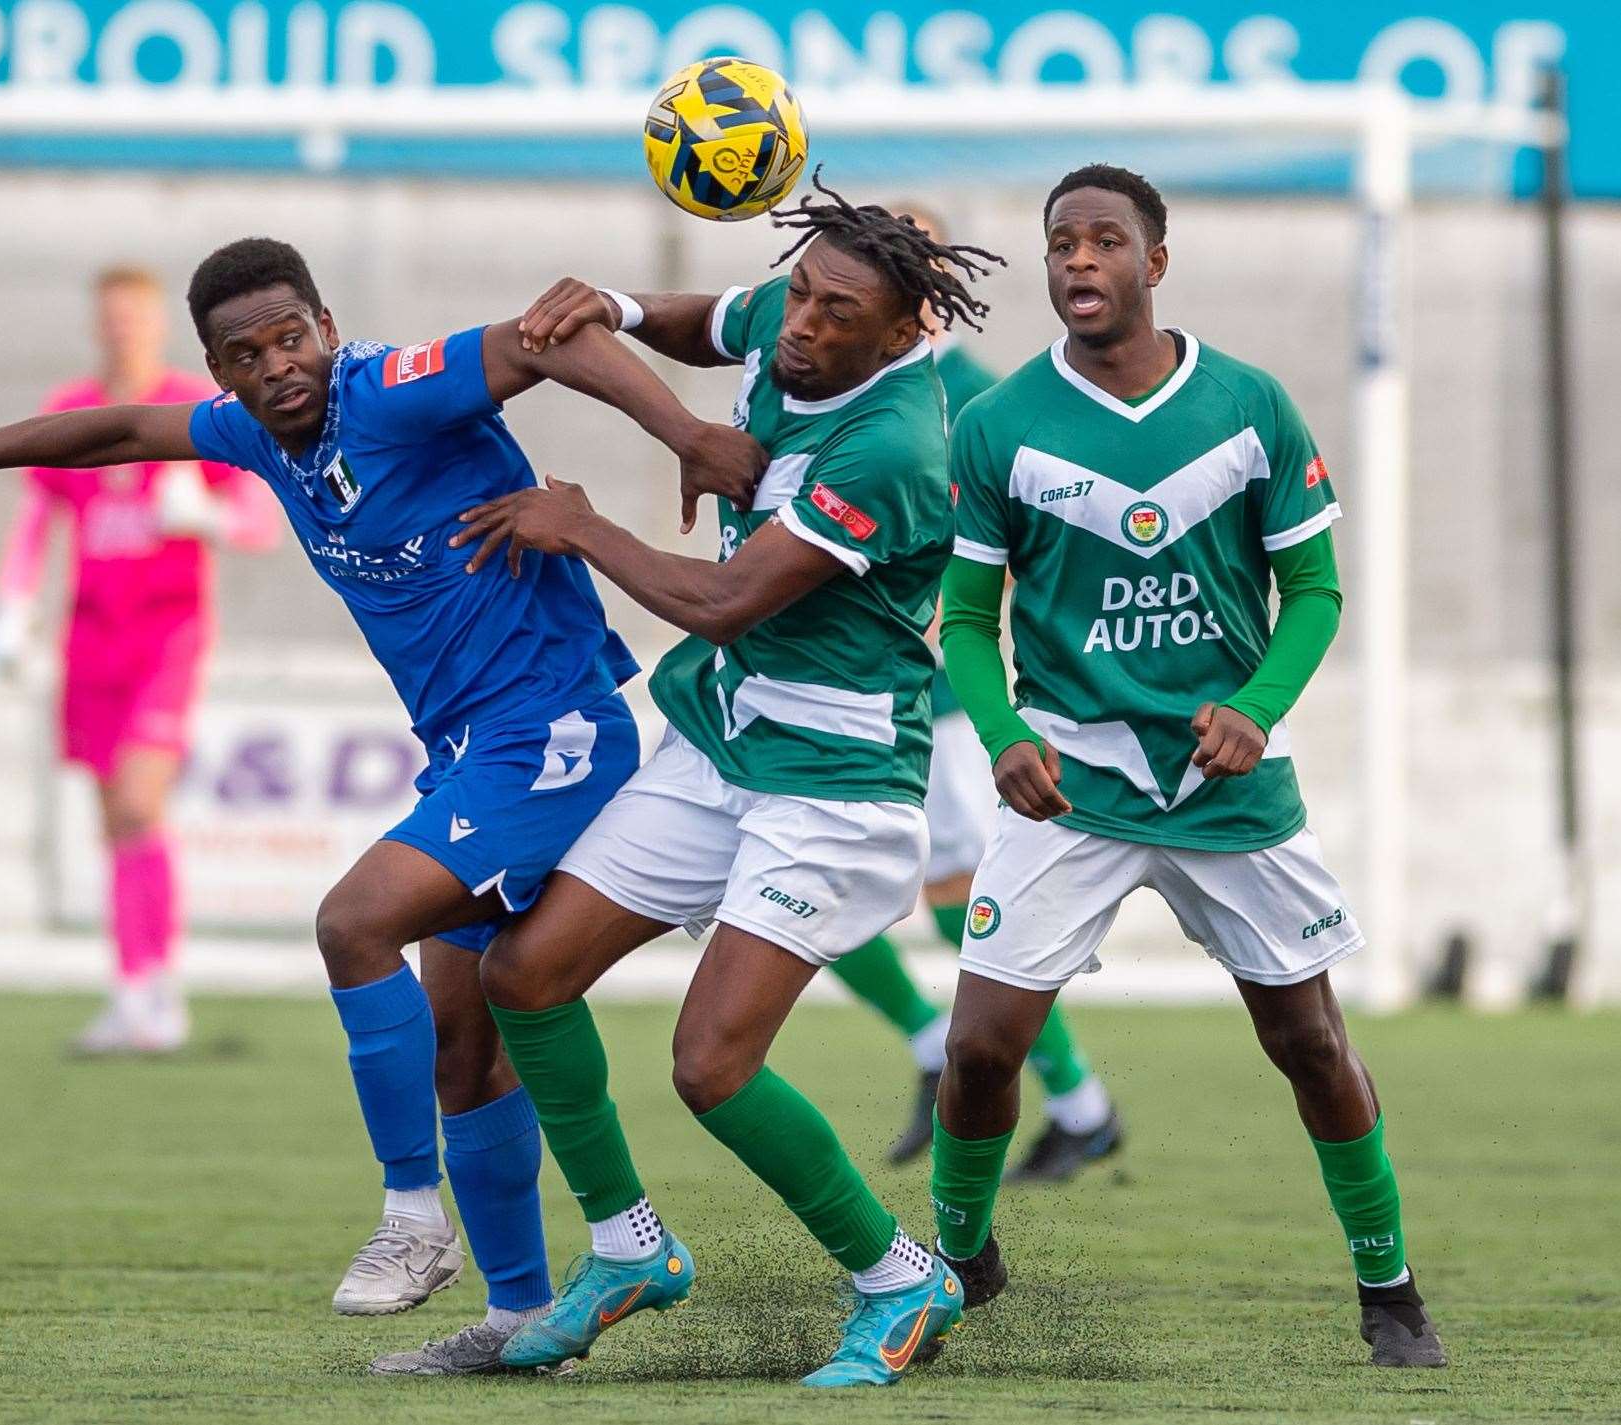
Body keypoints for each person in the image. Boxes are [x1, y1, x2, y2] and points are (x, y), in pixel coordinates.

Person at [0, 236, 765, 1375]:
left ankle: (411, 1216)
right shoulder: (254, 434)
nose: (278, 365)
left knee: (354, 922)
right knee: (465, 1054)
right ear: (219, 375)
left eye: (292, 337)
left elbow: (553, 336)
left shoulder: (388, 390)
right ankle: (528, 1321)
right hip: (470, 750)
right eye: (246, 353)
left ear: (328, 326)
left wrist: (688, 435)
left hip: (555, 731)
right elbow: (125, 430)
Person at [462, 176, 1003, 1387]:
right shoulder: (792, 318)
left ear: (905, 330)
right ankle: (626, 1249)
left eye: (834, 313)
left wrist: (583, 526)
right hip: (718, 744)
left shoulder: (897, 444)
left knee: (710, 1064)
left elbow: (721, 598)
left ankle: (899, 1279)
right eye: (800, 294)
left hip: (833, 780)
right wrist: (607, 297)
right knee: (525, 974)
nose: (802, 326)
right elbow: (698, 319)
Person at [927, 165, 1446, 1368]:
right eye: (1062, 243)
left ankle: (1389, 1287)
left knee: (1309, 1045)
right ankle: (957, 1259)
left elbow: (1312, 590)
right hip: (1073, 781)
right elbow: (962, 617)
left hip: (1229, 786)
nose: (1080, 262)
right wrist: (1003, 730)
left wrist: (1257, 708)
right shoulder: (999, 424)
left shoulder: (1248, 404)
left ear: (1156, 263)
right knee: (978, 1049)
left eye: (1106, 242)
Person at [834, 205, 1124, 1179]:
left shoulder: (976, 403)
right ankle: (997, 1071)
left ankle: (1073, 1100)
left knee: (960, 898)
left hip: (934, 699)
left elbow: (1011, 549)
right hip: (837, 688)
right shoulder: (843, 381)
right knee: (813, 884)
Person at [0, 266, 279, 1056]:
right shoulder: (72, 413)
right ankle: (133, 992)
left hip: (167, 634)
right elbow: (35, 519)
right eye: (110, 316)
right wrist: (13, 609)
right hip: (90, 638)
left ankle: (160, 992)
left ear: (159, 325)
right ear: (97, 324)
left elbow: (261, 519)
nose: (122, 329)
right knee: (114, 817)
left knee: (141, 801)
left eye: (136, 317)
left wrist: (206, 516)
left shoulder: (198, 408)